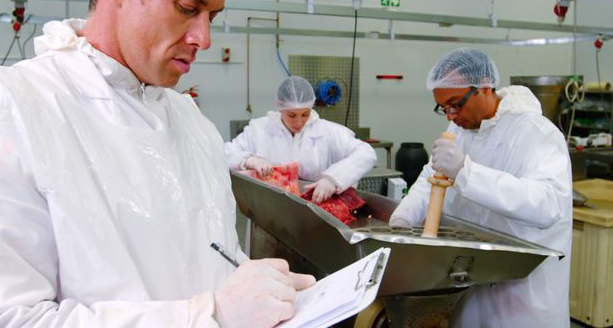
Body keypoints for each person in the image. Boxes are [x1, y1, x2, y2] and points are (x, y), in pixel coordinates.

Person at [0, 0, 316, 327]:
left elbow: (210, 255)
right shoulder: (3, 109)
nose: (204, 38)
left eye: (212, 17)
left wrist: (258, 290)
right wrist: (209, 317)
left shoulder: (190, 120)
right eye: (186, 7)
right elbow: (3, 318)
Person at [389, 48, 572, 327]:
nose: (450, 116)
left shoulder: (537, 134)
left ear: (484, 87)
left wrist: (466, 172)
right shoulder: (462, 131)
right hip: (472, 280)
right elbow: (432, 178)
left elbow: (548, 205)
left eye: (455, 104)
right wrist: (404, 217)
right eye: (443, 108)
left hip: (521, 294)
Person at [225, 76, 377, 203]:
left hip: (314, 213)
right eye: (292, 115)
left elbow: (366, 153)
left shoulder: (326, 131)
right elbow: (222, 154)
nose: (299, 122)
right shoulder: (259, 130)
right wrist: (248, 160)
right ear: (280, 108)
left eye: (305, 114)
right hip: (268, 213)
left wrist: (333, 179)